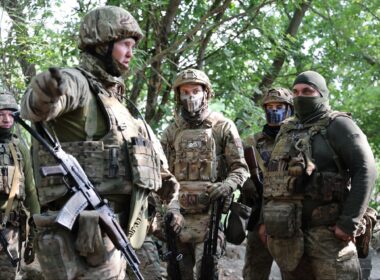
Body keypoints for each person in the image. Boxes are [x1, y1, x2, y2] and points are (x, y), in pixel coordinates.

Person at [20, 6, 183, 280]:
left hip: (121, 232)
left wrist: (169, 198)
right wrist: (45, 92)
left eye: (132, 46)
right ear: (101, 45)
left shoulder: (120, 103)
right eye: (124, 45)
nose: (131, 53)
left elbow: (144, 165)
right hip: (84, 239)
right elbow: (38, 106)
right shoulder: (78, 83)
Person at [258, 71, 377, 279]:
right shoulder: (287, 129)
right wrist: (264, 220)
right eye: (295, 92)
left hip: (329, 236)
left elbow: (365, 169)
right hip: (288, 235)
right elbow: (272, 178)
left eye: (307, 91)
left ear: (321, 94)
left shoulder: (339, 124)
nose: (300, 96)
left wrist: (348, 223)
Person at [160, 68, 249, 279]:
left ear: (206, 93)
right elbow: (160, 173)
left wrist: (227, 185)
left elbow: (240, 168)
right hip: (177, 217)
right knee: (178, 274)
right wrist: (165, 210)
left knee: (207, 273)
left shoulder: (222, 127)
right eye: (185, 92)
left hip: (210, 218)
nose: (190, 97)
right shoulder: (172, 131)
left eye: (195, 91)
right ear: (178, 96)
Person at [241, 87, 293, 280]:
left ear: (290, 109)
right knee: (255, 271)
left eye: (279, 106)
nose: (274, 110)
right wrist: (248, 183)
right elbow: (236, 170)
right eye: (270, 106)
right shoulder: (252, 143)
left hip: (290, 216)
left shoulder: (299, 140)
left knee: (293, 270)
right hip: (259, 214)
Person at [0, 90, 40, 279]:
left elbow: (30, 189)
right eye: (1, 114)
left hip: (11, 231)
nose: (6, 119)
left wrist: (36, 225)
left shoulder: (20, 148)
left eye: (11, 114)